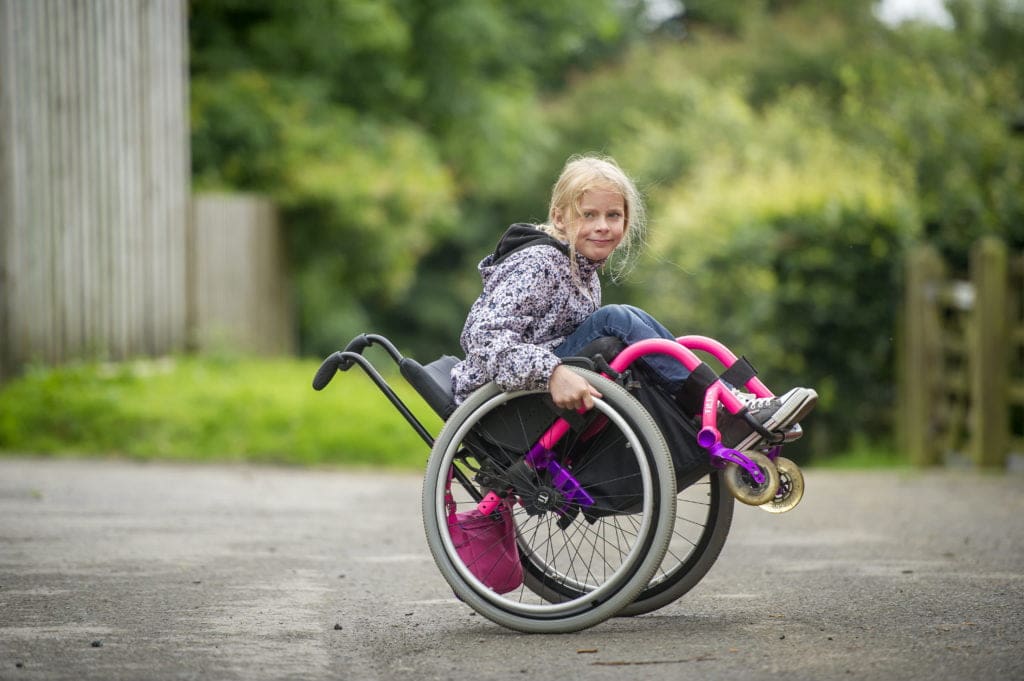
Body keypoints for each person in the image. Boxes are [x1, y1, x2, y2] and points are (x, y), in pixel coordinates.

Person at [450, 154, 816, 451]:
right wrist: (553, 372)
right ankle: (723, 406)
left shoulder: (582, 271)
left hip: (529, 392)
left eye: (614, 215)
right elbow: (482, 336)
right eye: (588, 215)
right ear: (560, 218)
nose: (603, 226)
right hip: (500, 406)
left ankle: (723, 405)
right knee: (617, 320)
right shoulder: (539, 263)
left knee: (631, 328)